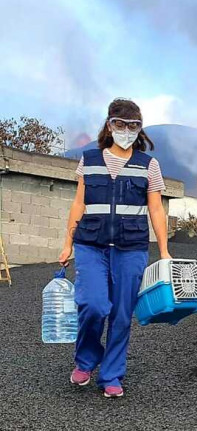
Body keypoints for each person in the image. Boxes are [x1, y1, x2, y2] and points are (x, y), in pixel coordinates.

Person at [58, 99, 171, 399]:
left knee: (121, 315)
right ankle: (86, 360)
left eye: (133, 126)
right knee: (93, 305)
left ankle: (111, 374)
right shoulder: (90, 159)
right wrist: (67, 243)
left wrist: (164, 252)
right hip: (90, 245)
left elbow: (156, 211)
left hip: (130, 248)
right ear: (109, 126)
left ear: (139, 129)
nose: (126, 131)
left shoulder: (149, 165)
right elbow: (79, 202)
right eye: (119, 125)